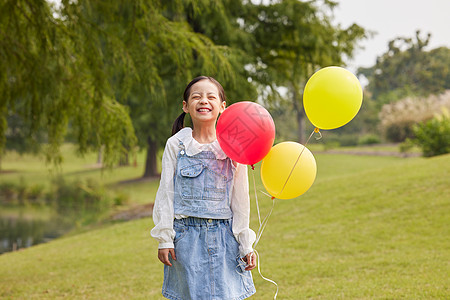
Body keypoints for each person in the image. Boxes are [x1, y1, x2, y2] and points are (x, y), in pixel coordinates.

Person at [151, 76, 257, 300]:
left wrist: (245, 244)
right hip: (186, 241)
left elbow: (240, 201)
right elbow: (166, 194)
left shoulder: (233, 147)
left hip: (225, 238)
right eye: (196, 97)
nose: (203, 101)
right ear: (185, 106)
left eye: (211, 96)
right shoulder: (176, 145)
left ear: (222, 106)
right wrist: (165, 239)